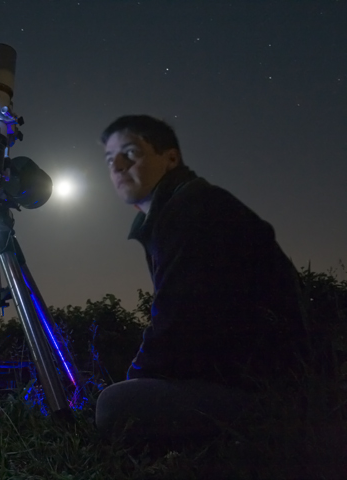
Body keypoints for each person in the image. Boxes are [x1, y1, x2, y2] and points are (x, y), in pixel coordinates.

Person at [95, 114, 307, 446]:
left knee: (116, 405)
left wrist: (137, 380)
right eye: (110, 159)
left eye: (130, 153)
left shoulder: (193, 209)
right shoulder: (178, 208)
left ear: (170, 158)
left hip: (265, 390)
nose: (117, 166)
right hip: (242, 377)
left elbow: (179, 319)